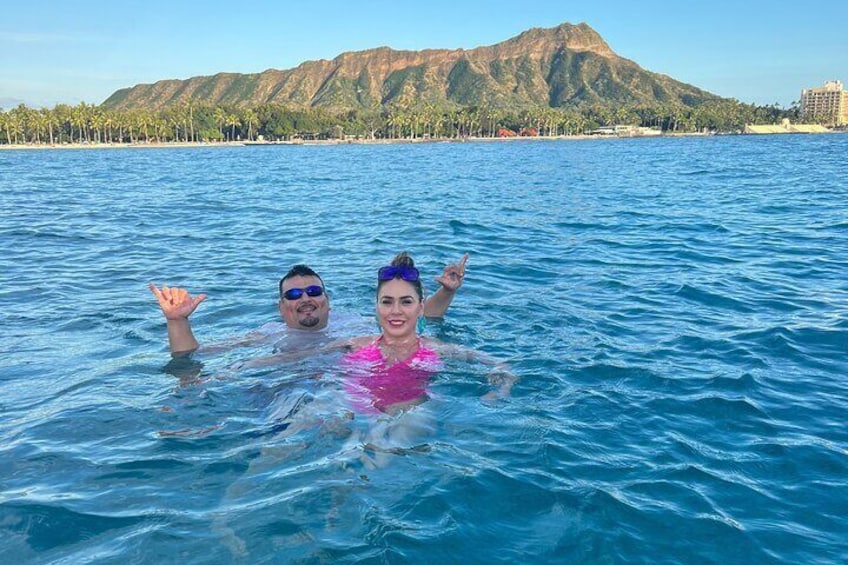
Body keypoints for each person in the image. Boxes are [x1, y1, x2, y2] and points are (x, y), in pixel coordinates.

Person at [149, 253, 469, 357]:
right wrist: (178, 322)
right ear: (281, 308)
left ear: (327, 301)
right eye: (293, 295)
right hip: (288, 387)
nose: (305, 299)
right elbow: (193, 358)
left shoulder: (354, 323)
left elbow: (415, 319)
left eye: (313, 291)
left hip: (344, 391)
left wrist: (447, 293)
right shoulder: (267, 335)